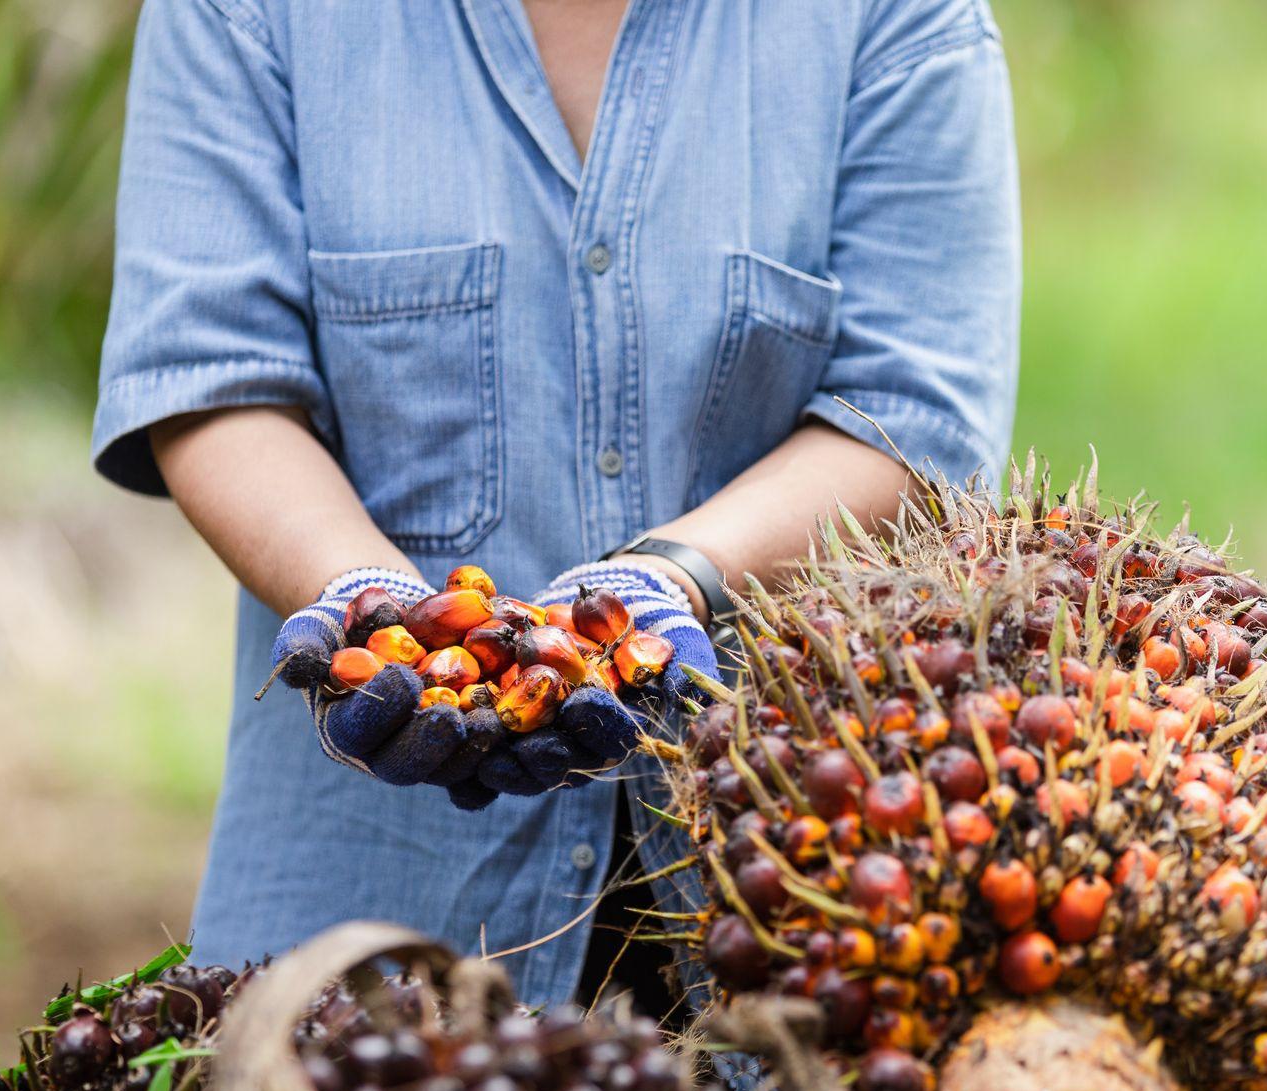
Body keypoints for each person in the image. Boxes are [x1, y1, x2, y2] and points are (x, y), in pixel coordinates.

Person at [91, 0, 1020, 1011]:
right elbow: (215, 380)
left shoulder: (889, 18)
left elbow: (913, 415)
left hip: (778, 900)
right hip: (372, 927)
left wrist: (676, 579)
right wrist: (358, 595)